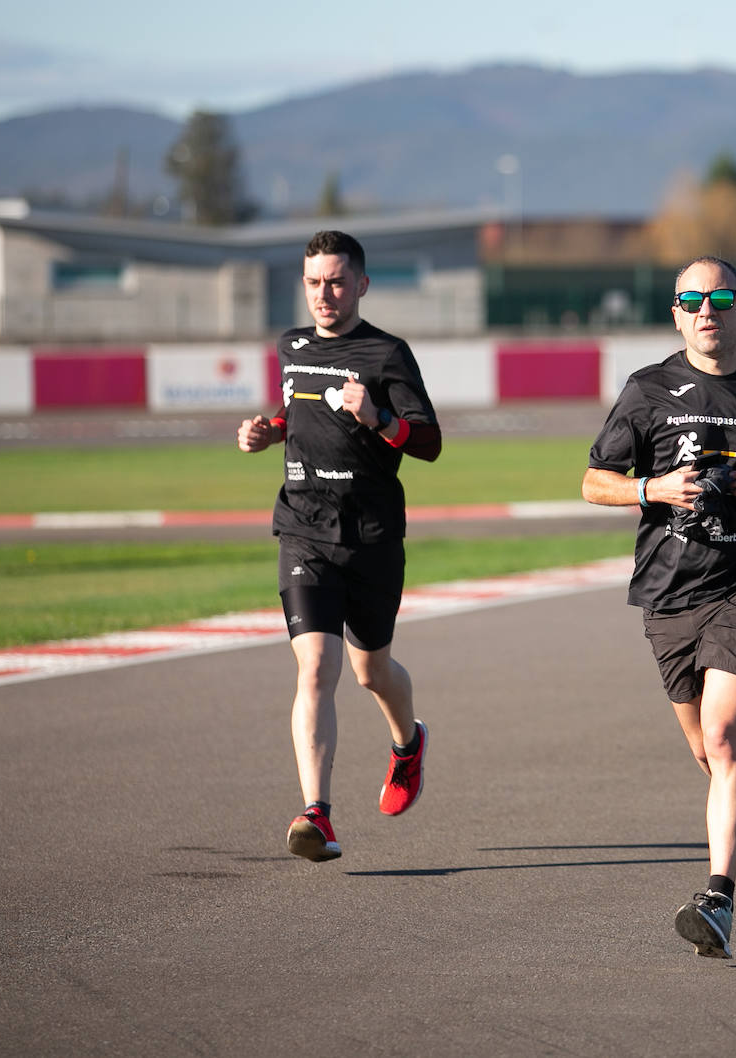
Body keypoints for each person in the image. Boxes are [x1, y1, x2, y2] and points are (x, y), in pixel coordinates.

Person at [582, 255, 736, 959]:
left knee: (723, 735)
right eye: (691, 299)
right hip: (668, 590)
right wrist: (651, 490)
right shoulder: (648, 389)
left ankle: (717, 898)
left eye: (720, 297)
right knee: (708, 752)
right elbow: (594, 481)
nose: (706, 309)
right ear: (675, 313)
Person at [237, 230, 443, 861]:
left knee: (369, 670)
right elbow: (296, 410)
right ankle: (317, 814)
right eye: (313, 282)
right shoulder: (291, 346)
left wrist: (377, 418)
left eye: (334, 281)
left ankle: (407, 743)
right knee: (317, 668)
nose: (323, 294)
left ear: (360, 284)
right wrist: (268, 431)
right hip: (303, 526)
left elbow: (429, 442)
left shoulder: (387, 354)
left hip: (373, 536)